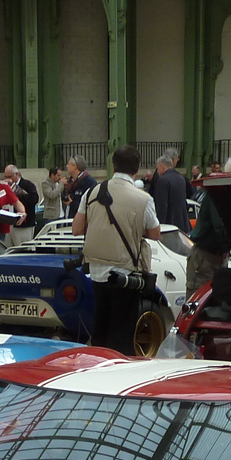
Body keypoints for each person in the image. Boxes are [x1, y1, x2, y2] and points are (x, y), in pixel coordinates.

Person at [73, 145, 160, 355]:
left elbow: (77, 229)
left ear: (113, 166)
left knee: (100, 331)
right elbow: (155, 233)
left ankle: (99, 365)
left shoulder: (92, 192)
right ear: (137, 168)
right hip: (125, 274)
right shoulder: (143, 199)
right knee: (121, 335)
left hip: (96, 271)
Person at [185, 153, 231, 294]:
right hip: (204, 257)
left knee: (219, 298)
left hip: (219, 255)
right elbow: (221, 226)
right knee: (198, 298)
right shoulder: (219, 193)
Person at [149, 154, 190, 231]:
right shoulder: (181, 178)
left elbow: (161, 206)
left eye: (158, 168)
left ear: (162, 166)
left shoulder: (163, 180)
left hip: (169, 224)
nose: (157, 171)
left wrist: (160, 225)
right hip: (182, 223)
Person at [4, 164, 40, 245]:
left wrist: (16, 193)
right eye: (6, 177)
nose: (8, 179)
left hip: (24, 224)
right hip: (9, 224)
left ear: (16, 174)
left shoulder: (27, 185)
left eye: (9, 176)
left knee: (23, 247)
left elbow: (34, 199)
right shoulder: (5, 186)